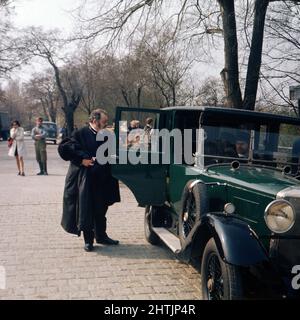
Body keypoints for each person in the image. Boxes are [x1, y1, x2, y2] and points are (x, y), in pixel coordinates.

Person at [60, 109, 121, 252]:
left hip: (103, 178)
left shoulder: (107, 135)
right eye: (104, 121)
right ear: (94, 120)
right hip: (86, 180)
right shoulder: (80, 133)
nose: (106, 124)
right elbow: (65, 148)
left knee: (101, 208)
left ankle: (101, 236)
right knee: (87, 209)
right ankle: (89, 240)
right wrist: (81, 160)